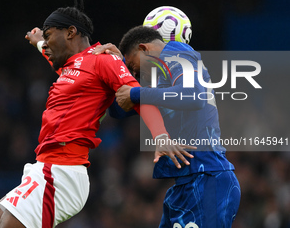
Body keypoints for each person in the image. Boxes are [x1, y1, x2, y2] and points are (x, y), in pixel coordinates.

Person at [0, 4, 197, 228]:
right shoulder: (71, 66)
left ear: (71, 33)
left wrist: (160, 135)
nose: (47, 43)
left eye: (50, 35)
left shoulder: (104, 60)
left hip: (63, 173)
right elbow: (52, 55)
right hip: (43, 168)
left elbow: (137, 96)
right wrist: (38, 41)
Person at [95, 25, 241, 228]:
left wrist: (136, 93)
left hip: (208, 180)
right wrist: (117, 68)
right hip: (184, 186)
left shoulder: (178, 52)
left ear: (144, 49)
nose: (134, 71)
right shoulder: (159, 84)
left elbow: (194, 96)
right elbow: (118, 110)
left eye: (133, 65)